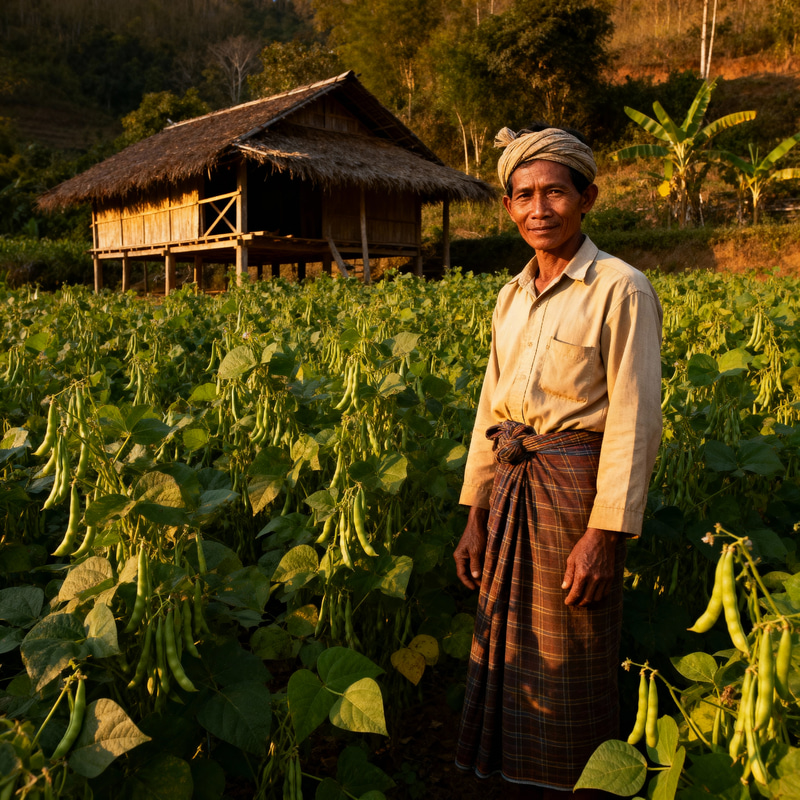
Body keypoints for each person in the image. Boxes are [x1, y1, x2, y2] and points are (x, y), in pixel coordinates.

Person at [453, 125, 663, 799]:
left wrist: (603, 535)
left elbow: (635, 419)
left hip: (575, 493)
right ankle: (510, 775)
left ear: (587, 197)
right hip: (511, 481)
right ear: (508, 207)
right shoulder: (509, 297)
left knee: (571, 650)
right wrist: (474, 514)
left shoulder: (620, 288)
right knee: (509, 645)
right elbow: (492, 411)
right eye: (523, 195)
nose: (539, 208)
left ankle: (576, 785)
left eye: (555, 192)